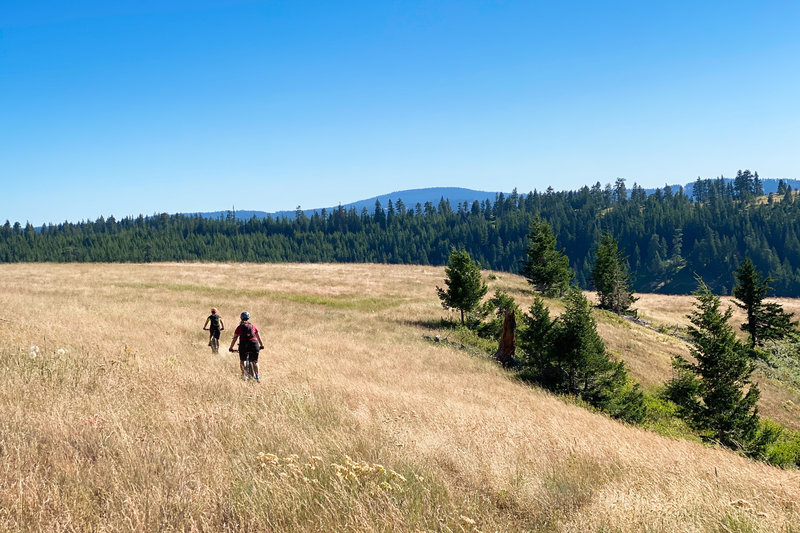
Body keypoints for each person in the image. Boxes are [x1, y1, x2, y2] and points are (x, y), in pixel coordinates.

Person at [229, 311, 264, 382]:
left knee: (242, 360)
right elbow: (258, 337)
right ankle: (257, 376)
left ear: (241, 318)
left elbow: (235, 338)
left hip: (243, 344)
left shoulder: (239, 327)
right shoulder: (253, 326)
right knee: (255, 361)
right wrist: (261, 345)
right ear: (248, 318)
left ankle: (243, 374)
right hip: (254, 344)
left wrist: (231, 347)